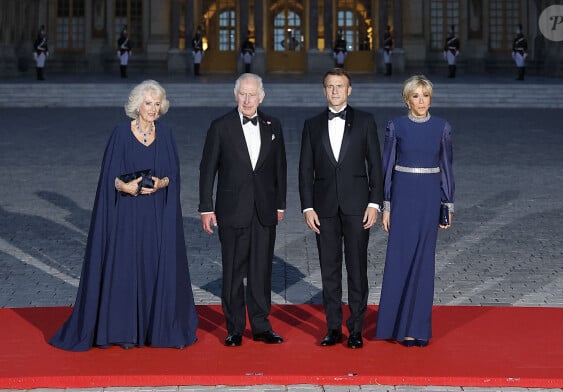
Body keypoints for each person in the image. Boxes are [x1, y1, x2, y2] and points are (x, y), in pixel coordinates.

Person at [49, 80, 199, 351]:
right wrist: (124, 185)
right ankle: (124, 329)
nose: (152, 109)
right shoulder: (120, 133)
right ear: (137, 105)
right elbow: (109, 177)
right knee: (127, 268)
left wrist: (163, 183)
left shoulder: (166, 134)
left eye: (156, 104)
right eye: (147, 103)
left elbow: (173, 174)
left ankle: (157, 328)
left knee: (154, 267)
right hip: (127, 215)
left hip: (155, 216)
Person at [199, 73, 287, 347]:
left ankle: (261, 326)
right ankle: (234, 327)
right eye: (243, 94)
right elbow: (207, 170)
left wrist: (280, 204)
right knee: (233, 272)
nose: (247, 100)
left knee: (261, 271)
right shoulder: (220, 126)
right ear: (236, 95)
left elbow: (280, 169)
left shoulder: (274, 125)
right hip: (232, 209)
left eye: (252, 95)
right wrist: (206, 207)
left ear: (261, 97)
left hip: (264, 209)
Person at [298, 68, 383, 349]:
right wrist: (307, 207)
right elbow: (304, 170)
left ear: (350, 90)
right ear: (324, 91)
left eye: (340, 86)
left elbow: (376, 167)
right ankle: (333, 327)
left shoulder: (366, 122)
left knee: (357, 269)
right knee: (329, 269)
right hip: (323, 210)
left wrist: (374, 203)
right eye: (330, 86)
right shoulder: (311, 125)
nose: (335, 91)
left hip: (359, 207)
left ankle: (356, 328)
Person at [375, 75, 455, 348]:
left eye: (426, 95)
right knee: (399, 260)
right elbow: (386, 168)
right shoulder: (395, 126)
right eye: (416, 96)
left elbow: (446, 167)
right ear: (407, 99)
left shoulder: (442, 127)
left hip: (429, 198)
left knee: (424, 263)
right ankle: (393, 325)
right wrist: (386, 205)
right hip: (403, 197)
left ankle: (416, 328)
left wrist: (447, 204)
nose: (421, 101)